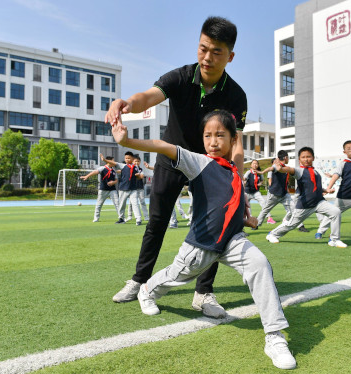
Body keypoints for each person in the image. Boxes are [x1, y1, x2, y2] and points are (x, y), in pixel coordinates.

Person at [111, 110, 297, 370]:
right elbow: (165, 146)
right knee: (175, 276)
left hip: (233, 241)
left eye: (221, 135)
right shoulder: (198, 162)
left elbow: (227, 207)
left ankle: (274, 336)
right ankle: (146, 290)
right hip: (200, 246)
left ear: (232, 140)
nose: (213, 141)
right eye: (207, 135)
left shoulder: (233, 172)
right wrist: (127, 142)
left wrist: (247, 220)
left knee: (260, 264)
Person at [106, 16, 247, 319]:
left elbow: (236, 143)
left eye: (216, 52)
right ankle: (139, 280)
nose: (207, 58)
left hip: (211, 169)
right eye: (203, 48)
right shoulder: (181, 77)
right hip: (173, 158)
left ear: (230, 56)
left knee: (212, 229)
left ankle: (203, 293)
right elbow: (148, 97)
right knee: (156, 222)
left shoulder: (236, 96)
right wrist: (126, 103)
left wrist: (237, 181)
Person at [266, 147, 347, 248]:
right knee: (292, 224)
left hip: (319, 202)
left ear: (313, 158)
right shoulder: (300, 171)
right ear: (299, 160)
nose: (306, 159)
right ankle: (272, 234)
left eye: (308, 156)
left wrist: (325, 190)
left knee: (336, 212)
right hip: (305, 205)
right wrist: (281, 169)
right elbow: (290, 170)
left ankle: (335, 239)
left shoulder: (316, 172)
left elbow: (314, 186)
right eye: (303, 157)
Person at [257, 151, 308, 232]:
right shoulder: (277, 166)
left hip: (284, 195)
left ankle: (300, 226)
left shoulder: (285, 168)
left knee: (294, 209)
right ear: (285, 158)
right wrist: (262, 172)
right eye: (288, 157)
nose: (288, 159)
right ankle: (257, 224)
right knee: (265, 210)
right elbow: (271, 168)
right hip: (274, 194)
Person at [101, 152, 143, 226]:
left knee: (135, 204)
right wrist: (104, 160)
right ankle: (121, 218)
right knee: (121, 204)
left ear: (132, 159)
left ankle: (138, 219)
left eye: (129, 158)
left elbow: (139, 177)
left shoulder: (136, 167)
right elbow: (114, 163)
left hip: (133, 189)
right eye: (126, 158)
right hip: (123, 189)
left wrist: (138, 175)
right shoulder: (122, 166)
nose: (127, 159)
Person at [80, 156, 119, 222]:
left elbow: (116, 180)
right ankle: (96, 218)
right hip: (103, 190)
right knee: (99, 204)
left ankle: (121, 217)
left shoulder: (113, 170)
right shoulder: (102, 168)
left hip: (112, 190)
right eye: (112, 161)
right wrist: (87, 176)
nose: (114, 162)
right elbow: (95, 172)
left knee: (117, 203)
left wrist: (113, 182)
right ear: (108, 161)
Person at [243, 159, 276, 226]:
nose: (255, 165)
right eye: (253, 163)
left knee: (263, 203)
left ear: (258, 165)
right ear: (251, 165)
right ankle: (250, 219)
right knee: (247, 207)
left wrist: (260, 183)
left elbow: (262, 180)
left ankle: (269, 218)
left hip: (256, 192)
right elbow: (244, 179)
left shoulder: (259, 173)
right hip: (247, 192)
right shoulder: (248, 172)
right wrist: (244, 182)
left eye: (256, 164)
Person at [126, 156, 149, 222]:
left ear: (140, 162)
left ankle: (146, 216)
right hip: (132, 188)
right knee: (130, 203)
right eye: (135, 161)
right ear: (132, 161)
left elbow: (142, 176)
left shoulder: (141, 169)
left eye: (138, 161)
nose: (136, 162)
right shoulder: (130, 169)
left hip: (140, 188)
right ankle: (129, 216)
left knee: (142, 202)